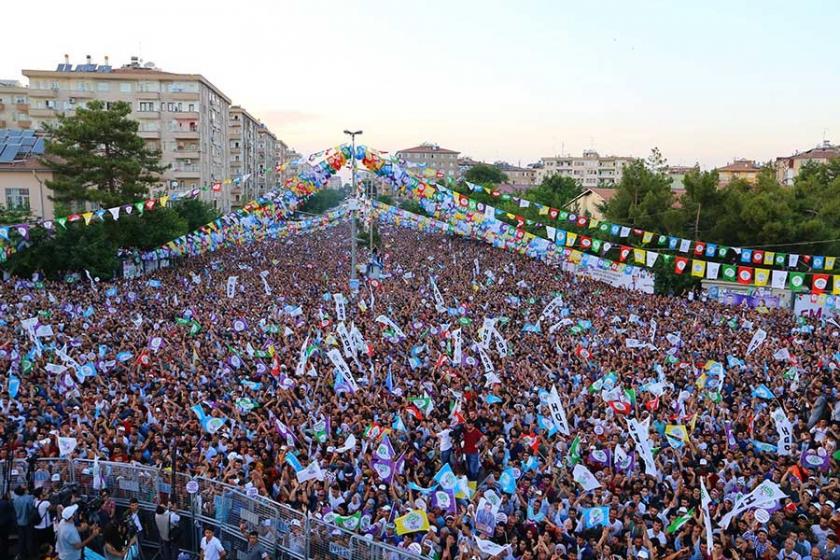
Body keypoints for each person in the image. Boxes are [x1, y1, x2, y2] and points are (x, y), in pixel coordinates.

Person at [12, 485, 35, 560]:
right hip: (28, 522)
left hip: (19, 522)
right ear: (25, 490)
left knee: (21, 539)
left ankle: (22, 555)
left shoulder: (15, 499)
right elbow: (31, 509)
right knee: (29, 539)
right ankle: (30, 555)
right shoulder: (29, 498)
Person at [32, 488, 53, 553]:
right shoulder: (46, 503)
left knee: (40, 545)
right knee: (47, 545)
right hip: (45, 528)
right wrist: (47, 498)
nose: (46, 492)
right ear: (40, 495)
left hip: (37, 527)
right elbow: (52, 508)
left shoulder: (35, 501)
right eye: (44, 491)